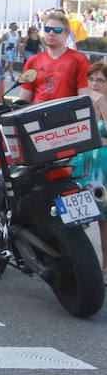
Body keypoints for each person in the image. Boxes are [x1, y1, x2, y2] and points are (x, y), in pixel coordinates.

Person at [72, 61, 107, 282]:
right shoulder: (81, 103)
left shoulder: (103, 103)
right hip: (80, 165)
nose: (94, 84)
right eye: (92, 79)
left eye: (100, 80)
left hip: (103, 169)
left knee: (105, 220)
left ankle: (105, 268)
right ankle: (79, 267)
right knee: (76, 219)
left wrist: (102, 103)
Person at [10, 9, 91, 103]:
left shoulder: (80, 60)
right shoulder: (32, 61)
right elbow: (24, 98)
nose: (51, 33)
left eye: (57, 30)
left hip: (66, 116)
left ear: (67, 33)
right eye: (47, 29)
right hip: (37, 115)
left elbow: (84, 99)